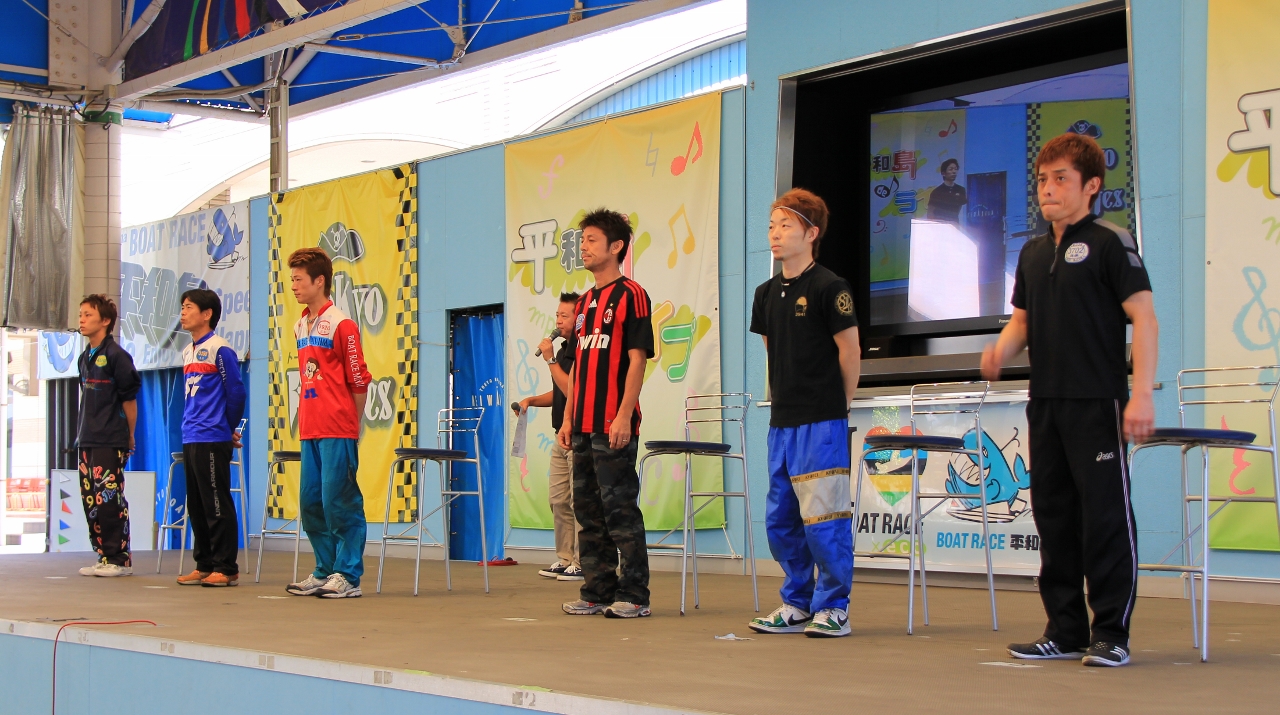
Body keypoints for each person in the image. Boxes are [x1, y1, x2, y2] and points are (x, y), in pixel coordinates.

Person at [982, 133, 1157, 667]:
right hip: (1046, 403)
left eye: (1061, 179)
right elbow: (1022, 322)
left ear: (1092, 185)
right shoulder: (1033, 252)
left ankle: (1112, 633)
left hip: (1097, 402)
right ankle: (1065, 630)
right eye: (1042, 179)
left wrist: (1141, 394)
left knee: (1104, 518)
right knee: (1053, 517)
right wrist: (1000, 351)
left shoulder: (1111, 241)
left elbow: (1144, 318)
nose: (1048, 189)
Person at [747, 188, 861, 638]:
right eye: (772, 226)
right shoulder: (764, 294)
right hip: (782, 423)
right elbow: (772, 349)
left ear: (811, 234)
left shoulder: (830, 287)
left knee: (824, 520)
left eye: (786, 226)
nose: (775, 234)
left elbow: (849, 351)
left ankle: (833, 606)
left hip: (822, 423)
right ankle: (796, 602)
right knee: (782, 519)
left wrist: (839, 404)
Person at [556, 209, 655, 618]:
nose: (584, 247)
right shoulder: (584, 303)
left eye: (592, 240)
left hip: (613, 423)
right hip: (581, 423)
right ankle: (597, 590)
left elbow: (638, 359)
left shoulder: (632, 294)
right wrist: (567, 419)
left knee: (620, 511)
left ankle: (634, 595)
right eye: (582, 240)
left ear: (616, 246)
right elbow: (579, 365)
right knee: (588, 511)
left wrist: (623, 414)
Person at [284, 247, 374, 599]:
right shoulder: (299, 325)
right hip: (310, 428)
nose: (293, 286)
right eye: (292, 279)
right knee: (311, 503)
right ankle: (324, 569)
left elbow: (359, 379)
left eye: (299, 279)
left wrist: (352, 424)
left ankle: (348, 575)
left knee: (340, 502)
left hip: (338, 428)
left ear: (319, 281)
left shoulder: (342, 324)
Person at [175, 289, 247, 587]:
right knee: (197, 505)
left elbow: (236, 392)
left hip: (212, 437)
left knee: (217, 502)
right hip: (191, 435)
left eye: (188, 307)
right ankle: (204, 564)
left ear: (207, 314)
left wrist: (227, 428)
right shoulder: (187, 351)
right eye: (182, 307)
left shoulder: (220, 349)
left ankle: (226, 567)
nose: (183, 312)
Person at [516, 292, 584, 582]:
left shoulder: (581, 348)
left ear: (579, 319)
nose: (558, 321)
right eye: (557, 315)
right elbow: (559, 391)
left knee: (580, 501)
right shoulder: (565, 350)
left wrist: (550, 359)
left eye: (564, 316)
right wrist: (531, 400)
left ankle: (582, 561)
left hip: (579, 436)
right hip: (560, 435)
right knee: (558, 500)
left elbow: (572, 390)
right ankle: (565, 557)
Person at [75, 294, 140, 577]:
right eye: (81, 314)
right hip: (87, 438)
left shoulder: (116, 355)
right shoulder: (84, 358)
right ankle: (103, 555)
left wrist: (129, 435)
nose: (82, 319)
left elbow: (129, 399)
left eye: (88, 315)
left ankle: (119, 558)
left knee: (109, 498)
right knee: (91, 499)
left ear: (105, 321)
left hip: (110, 438)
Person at [926, 158, 967, 224]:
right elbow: (930, 212)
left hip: (954, 225)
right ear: (943, 173)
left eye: (955, 169)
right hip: (940, 225)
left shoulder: (961, 190)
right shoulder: (937, 192)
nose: (954, 172)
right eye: (950, 169)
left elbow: (958, 209)